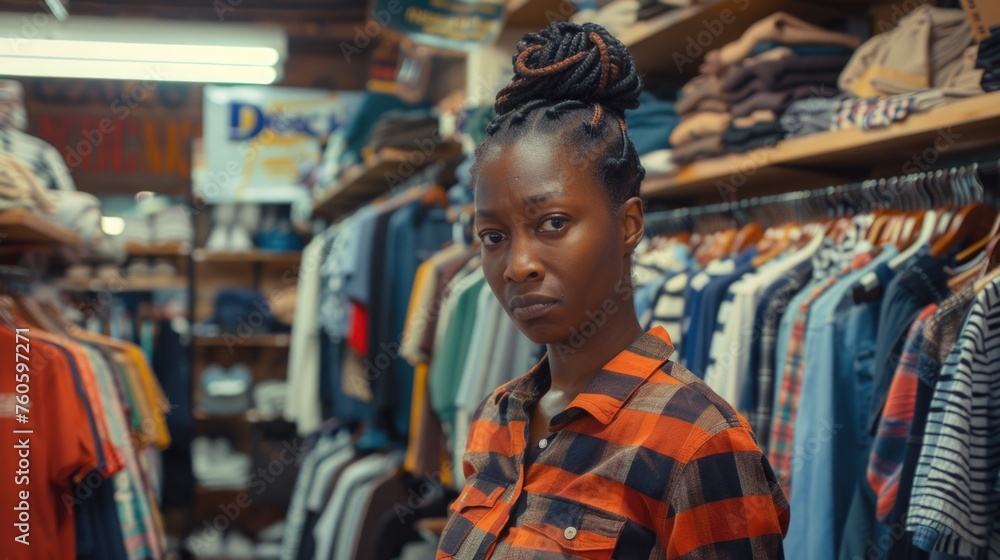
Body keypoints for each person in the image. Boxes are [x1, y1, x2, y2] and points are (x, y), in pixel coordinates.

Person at [435, 21, 789, 560]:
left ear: (628, 226)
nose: (518, 265)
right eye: (493, 236)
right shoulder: (498, 416)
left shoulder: (699, 443)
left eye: (553, 223)